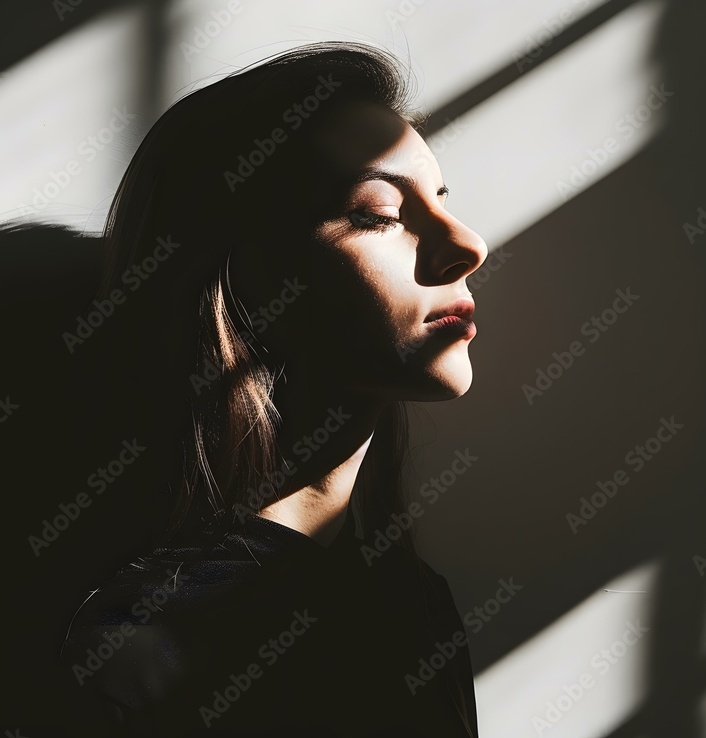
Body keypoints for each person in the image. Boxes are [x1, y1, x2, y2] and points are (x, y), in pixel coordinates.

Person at [59, 40, 488, 737]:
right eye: (379, 214)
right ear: (246, 278)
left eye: (441, 200)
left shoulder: (413, 601)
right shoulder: (143, 643)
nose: (468, 244)